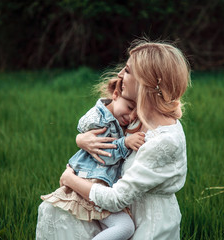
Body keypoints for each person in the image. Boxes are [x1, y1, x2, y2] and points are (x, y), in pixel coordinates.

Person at [36, 39, 191, 239]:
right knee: (52, 211)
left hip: (148, 229)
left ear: (147, 81)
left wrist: (69, 179)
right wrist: (81, 139)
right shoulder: (135, 119)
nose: (119, 75)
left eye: (127, 70)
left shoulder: (165, 141)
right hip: (121, 217)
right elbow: (102, 133)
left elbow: (116, 199)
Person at [40, 79, 145, 240]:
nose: (131, 117)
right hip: (91, 184)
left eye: (136, 113)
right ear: (115, 95)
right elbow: (104, 154)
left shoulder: (119, 121)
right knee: (124, 227)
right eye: (130, 108)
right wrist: (125, 142)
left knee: (121, 227)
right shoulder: (100, 120)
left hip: (103, 187)